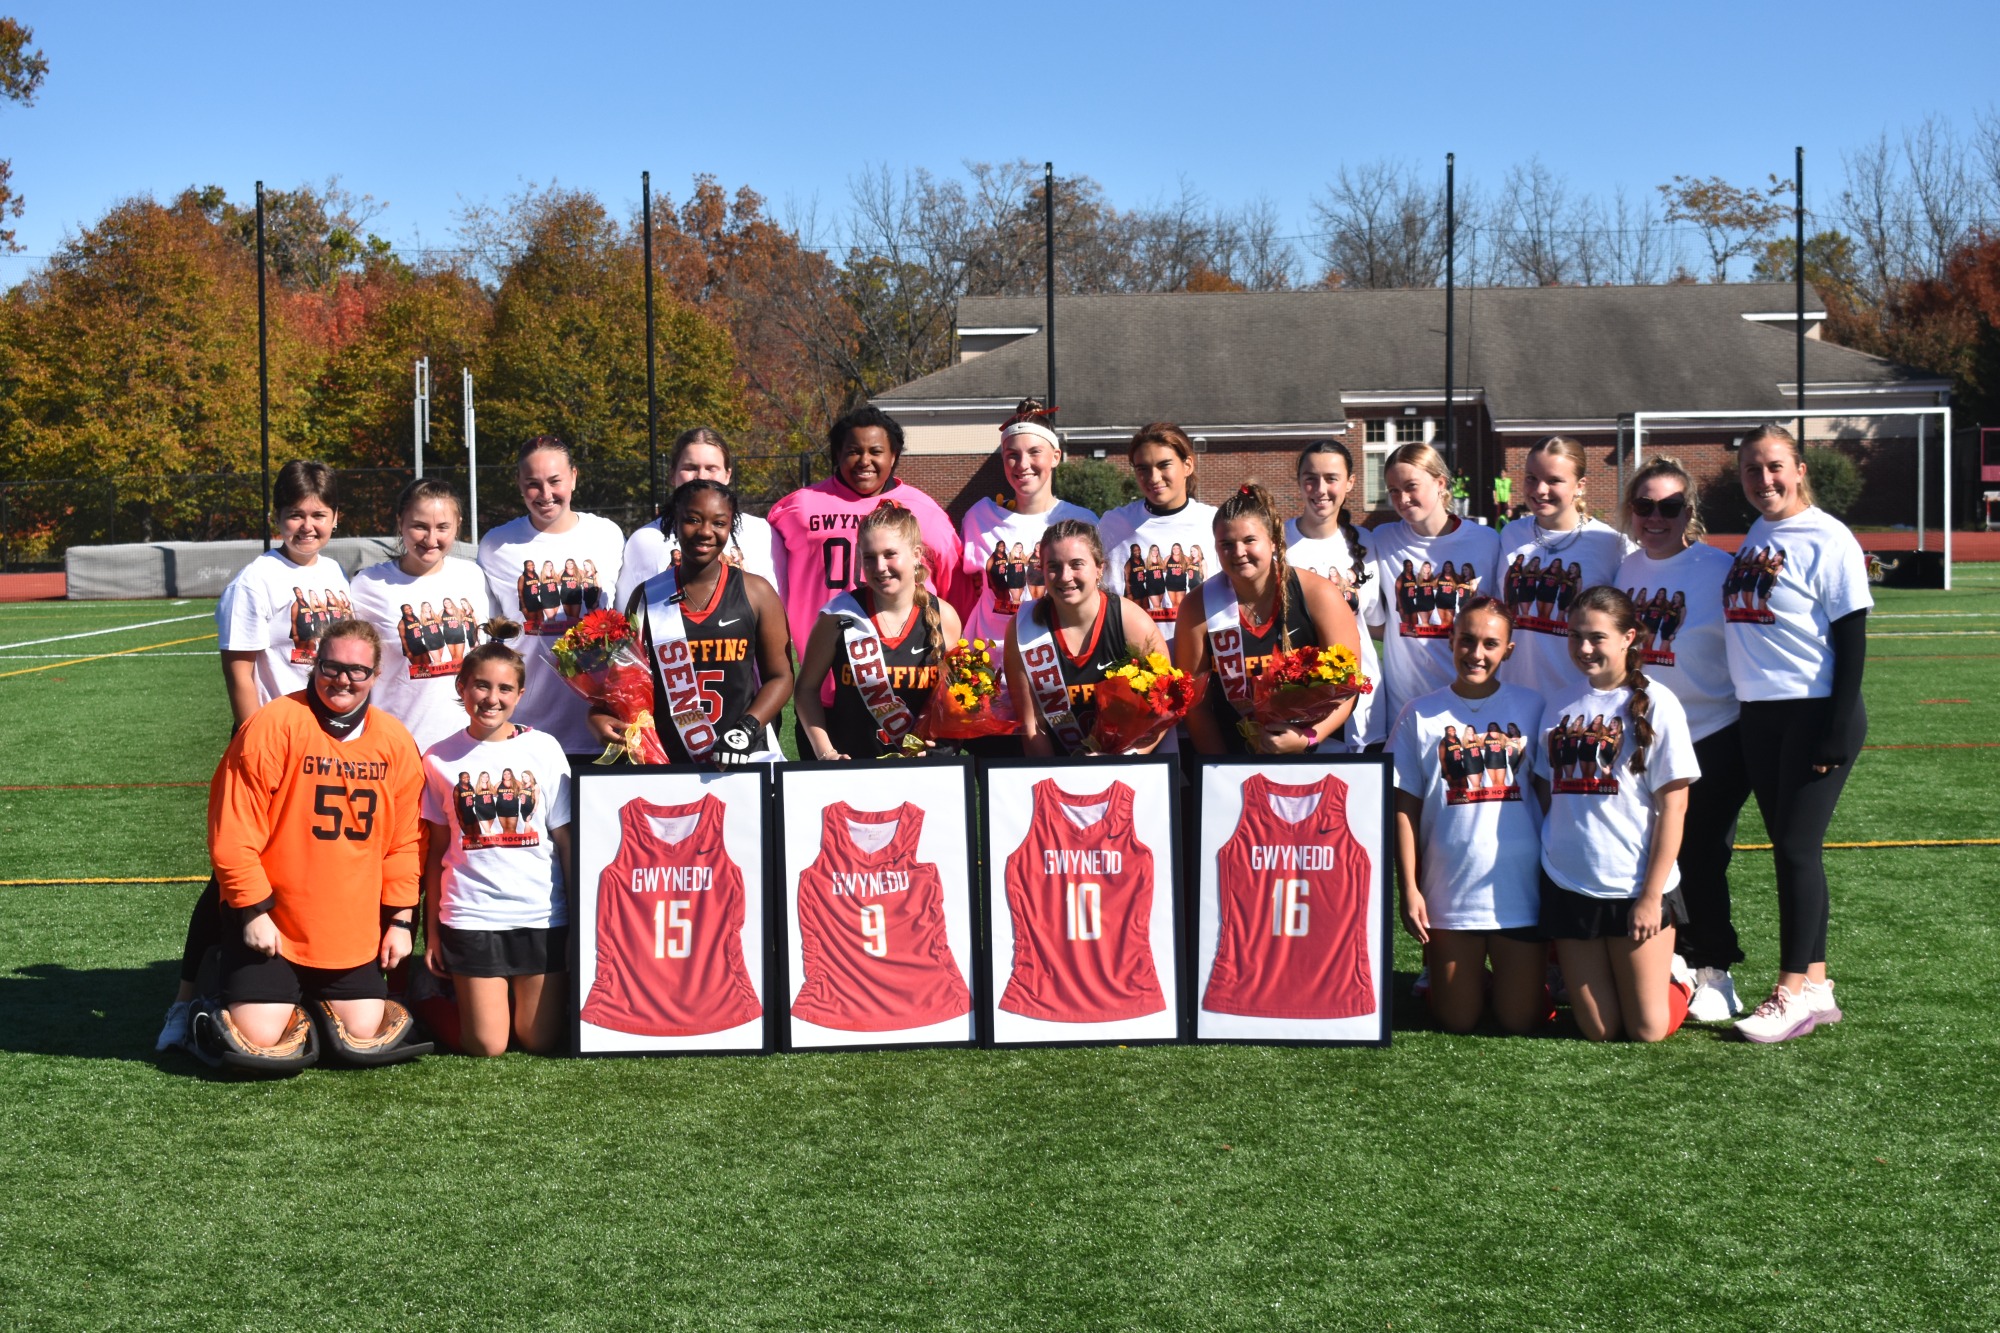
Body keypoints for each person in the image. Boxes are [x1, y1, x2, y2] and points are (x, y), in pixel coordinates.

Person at [157, 461, 354, 1051]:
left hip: (327, 747)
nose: (307, 525)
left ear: (336, 518)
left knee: (306, 866)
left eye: (319, 514)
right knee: (233, 878)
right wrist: (255, 745)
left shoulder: (337, 573)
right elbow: (240, 671)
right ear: (275, 517)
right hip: (273, 747)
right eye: (295, 514)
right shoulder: (256, 581)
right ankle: (185, 999)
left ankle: (306, 979)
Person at [196, 620, 427, 1066]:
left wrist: (400, 919)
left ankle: (311, 1003)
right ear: (314, 665)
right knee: (260, 1041)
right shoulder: (275, 723)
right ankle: (209, 993)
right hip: (275, 921)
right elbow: (233, 831)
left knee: (362, 1032)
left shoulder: (395, 741)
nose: (343, 679)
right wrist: (251, 910)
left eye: (357, 671)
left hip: (349, 926)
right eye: (332, 666)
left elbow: (405, 843)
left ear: (376, 676)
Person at [1724, 425, 1872, 1043]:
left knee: (1794, 849)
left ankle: (1789, 994)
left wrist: (1836, 726)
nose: (1765, 480)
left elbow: (1852, 635)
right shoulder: (1760, 534)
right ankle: (1816, 979)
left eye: (1775, 467)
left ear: (1801, 468)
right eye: (1753, 470)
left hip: (1813, 713)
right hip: (1761, 715)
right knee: (1792, 848)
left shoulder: (1828, 536)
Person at [1615, 457, 1747, 1023]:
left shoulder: (1719, 568)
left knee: (1702, 855)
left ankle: (1716, 969)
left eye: (1669, 506)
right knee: (1649, 855)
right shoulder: (1623, 571)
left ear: (1688, 512)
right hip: (1643, 739)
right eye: (1645, 506)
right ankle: (1676, 960)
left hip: (1714, 731)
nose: (1656, 517)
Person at [1540, 587, 1699, 1043]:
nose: (1584, 648)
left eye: (1596, 637)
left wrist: (1651, 896)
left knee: (1647, 1030)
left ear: (1629, 637)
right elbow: (1546, 792)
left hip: (1634, 886)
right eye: (1574, 636)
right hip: (1569, 882)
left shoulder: (1660, 704)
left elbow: (1675, 806)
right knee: (1599, 1030)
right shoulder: (1559, 704)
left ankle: (1679, 976)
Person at [1392, 596, 1550, 1033]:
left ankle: (1523, 973)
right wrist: (1410, 888)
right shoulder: (1419, 713)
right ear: (1451, 639)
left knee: (1520, 1020)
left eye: (1490, 644)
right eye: (1467, 641)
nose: (1476, 654)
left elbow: (1548, 797)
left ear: (1508, 651)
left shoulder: (1533, 708)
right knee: (1456, 1019)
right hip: (1451, 888)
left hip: (1519, 888)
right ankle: (1453, 979)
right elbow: (1404, 809)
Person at [420, 622, 573, 1057]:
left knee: (538, 1039)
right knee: (487, 1046)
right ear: (461, 686)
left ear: (520, 695)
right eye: (481, 686)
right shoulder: (438, 757)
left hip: (541, 914)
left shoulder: (545, 748)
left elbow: (564, 839)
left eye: (505, 689)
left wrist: (576, 918)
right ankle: (425, 1002)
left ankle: (496, 1000)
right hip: (472, 915)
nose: (492, 698)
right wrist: (432, 934)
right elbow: (435, 852)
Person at [589, 480, 795, 765]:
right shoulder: (648, 596)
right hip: (671, 759)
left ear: (730, 528)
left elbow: (781, 677)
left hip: (747, 755)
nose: (705, 532)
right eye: (692, 520)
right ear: (674, 521)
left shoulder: (756, 592)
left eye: (718, 523)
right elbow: (626, 681)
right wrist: (598, 715)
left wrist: (747, 728)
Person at [1175, 484, 1361, 756]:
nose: (1238, 552)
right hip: (1232, 755)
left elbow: (1349, 686)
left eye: (1250, 540)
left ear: (1273, 540)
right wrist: (1221, 769)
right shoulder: (1197, 605)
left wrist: (1308, 737)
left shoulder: (1319, 594)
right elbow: (1196, 705)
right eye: (1226, 544)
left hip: (1314, 750)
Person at [768, 405, 961, 655]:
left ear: (893, 455)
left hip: (909, 662)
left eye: (876, 451)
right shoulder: (797, 508)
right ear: (837, 454)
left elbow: (952, 587)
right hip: (825, 662)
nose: (864, 461)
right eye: (854, 451)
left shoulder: (927, 513)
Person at [476, 437, 625, 752]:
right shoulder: (497, 545)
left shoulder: (607, 535)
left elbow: (626, 629)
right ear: (519, 483)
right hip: (526, 728)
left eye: (555, 481)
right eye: (533, 484)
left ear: (573, 477)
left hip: (598, 728)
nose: (545, 494)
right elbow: (490, 637)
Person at [794, 501, 960, 761]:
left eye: (890, 554)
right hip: (853, 768)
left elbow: (954, 697)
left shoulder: (944, 616)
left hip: (924, 770)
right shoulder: (838, 615)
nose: (880, 567)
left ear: (917, 554)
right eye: (869, 557)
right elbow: (806, 690)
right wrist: (826, 753)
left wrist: (943, 746)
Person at [1360, 442, 1503, 727]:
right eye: (1393, 491)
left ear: (1440, 483)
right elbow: (1373, 617)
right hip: (1405, 709)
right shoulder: (1383, 539)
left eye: (1411, 486)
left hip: (1471, 705)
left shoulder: (1486, 541)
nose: (1402, 498)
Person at [349, 478, 492, 754]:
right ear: (400, 521)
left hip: (470, 748)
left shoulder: (473, 577)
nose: (431, 539)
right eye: (419, 526)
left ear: (458, 525)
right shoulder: (368, 584)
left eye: (442, 527)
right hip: (398, 747)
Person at [1004, 519, 1169, 757]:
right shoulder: (1022, 627)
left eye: (1076, 564)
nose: (1065, 576)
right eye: (1053, 566)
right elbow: (1033, 725)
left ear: (1099, 568)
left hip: (1129, 765)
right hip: (1057, 767)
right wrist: (1055, 775)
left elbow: (1163, 707)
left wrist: (1121, 762)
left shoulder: (1130, 620)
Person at [1496, 437, 1634, 710]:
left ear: (1579, 486)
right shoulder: (1511, 535)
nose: (1540, 490)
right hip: (1513, 700)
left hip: (1578, 703)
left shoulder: (1612, 544)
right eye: (1531, 478)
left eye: (1554, 480)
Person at [956, 398, 1097, 648]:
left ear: (1055, 457)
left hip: (1056, 664)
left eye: (1034, 452)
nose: (1023, 465)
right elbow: (967, 590)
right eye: (1012, 455)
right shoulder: (980, 517)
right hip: (989, 669)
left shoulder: (1082, 521)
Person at [1285, 440, 1384, 752]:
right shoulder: (1277, 541)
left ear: (1350, 483)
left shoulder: (1367, 543)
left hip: (1363, 705)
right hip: (1298, 700)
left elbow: (1375, 623)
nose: (1320, 488)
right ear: (1299, 482)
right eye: (1310, 478)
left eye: (1331, 478)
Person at [615, 427, 782, 607]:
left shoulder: (760, 532)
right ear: (672, 475)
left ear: (728, 475)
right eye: (690, 468)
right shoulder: (644, 540)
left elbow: (777, 607)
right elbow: (629, 619)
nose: (701, 476)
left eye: (711, 468)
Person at [1097, 423, 1219, 632]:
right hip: (1133, 660)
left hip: (1201, 660)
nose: (1153, 478)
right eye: (1142, 468)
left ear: (1187, 465)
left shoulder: (1214, 522)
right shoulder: (1113, 523)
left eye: (1164, 465)